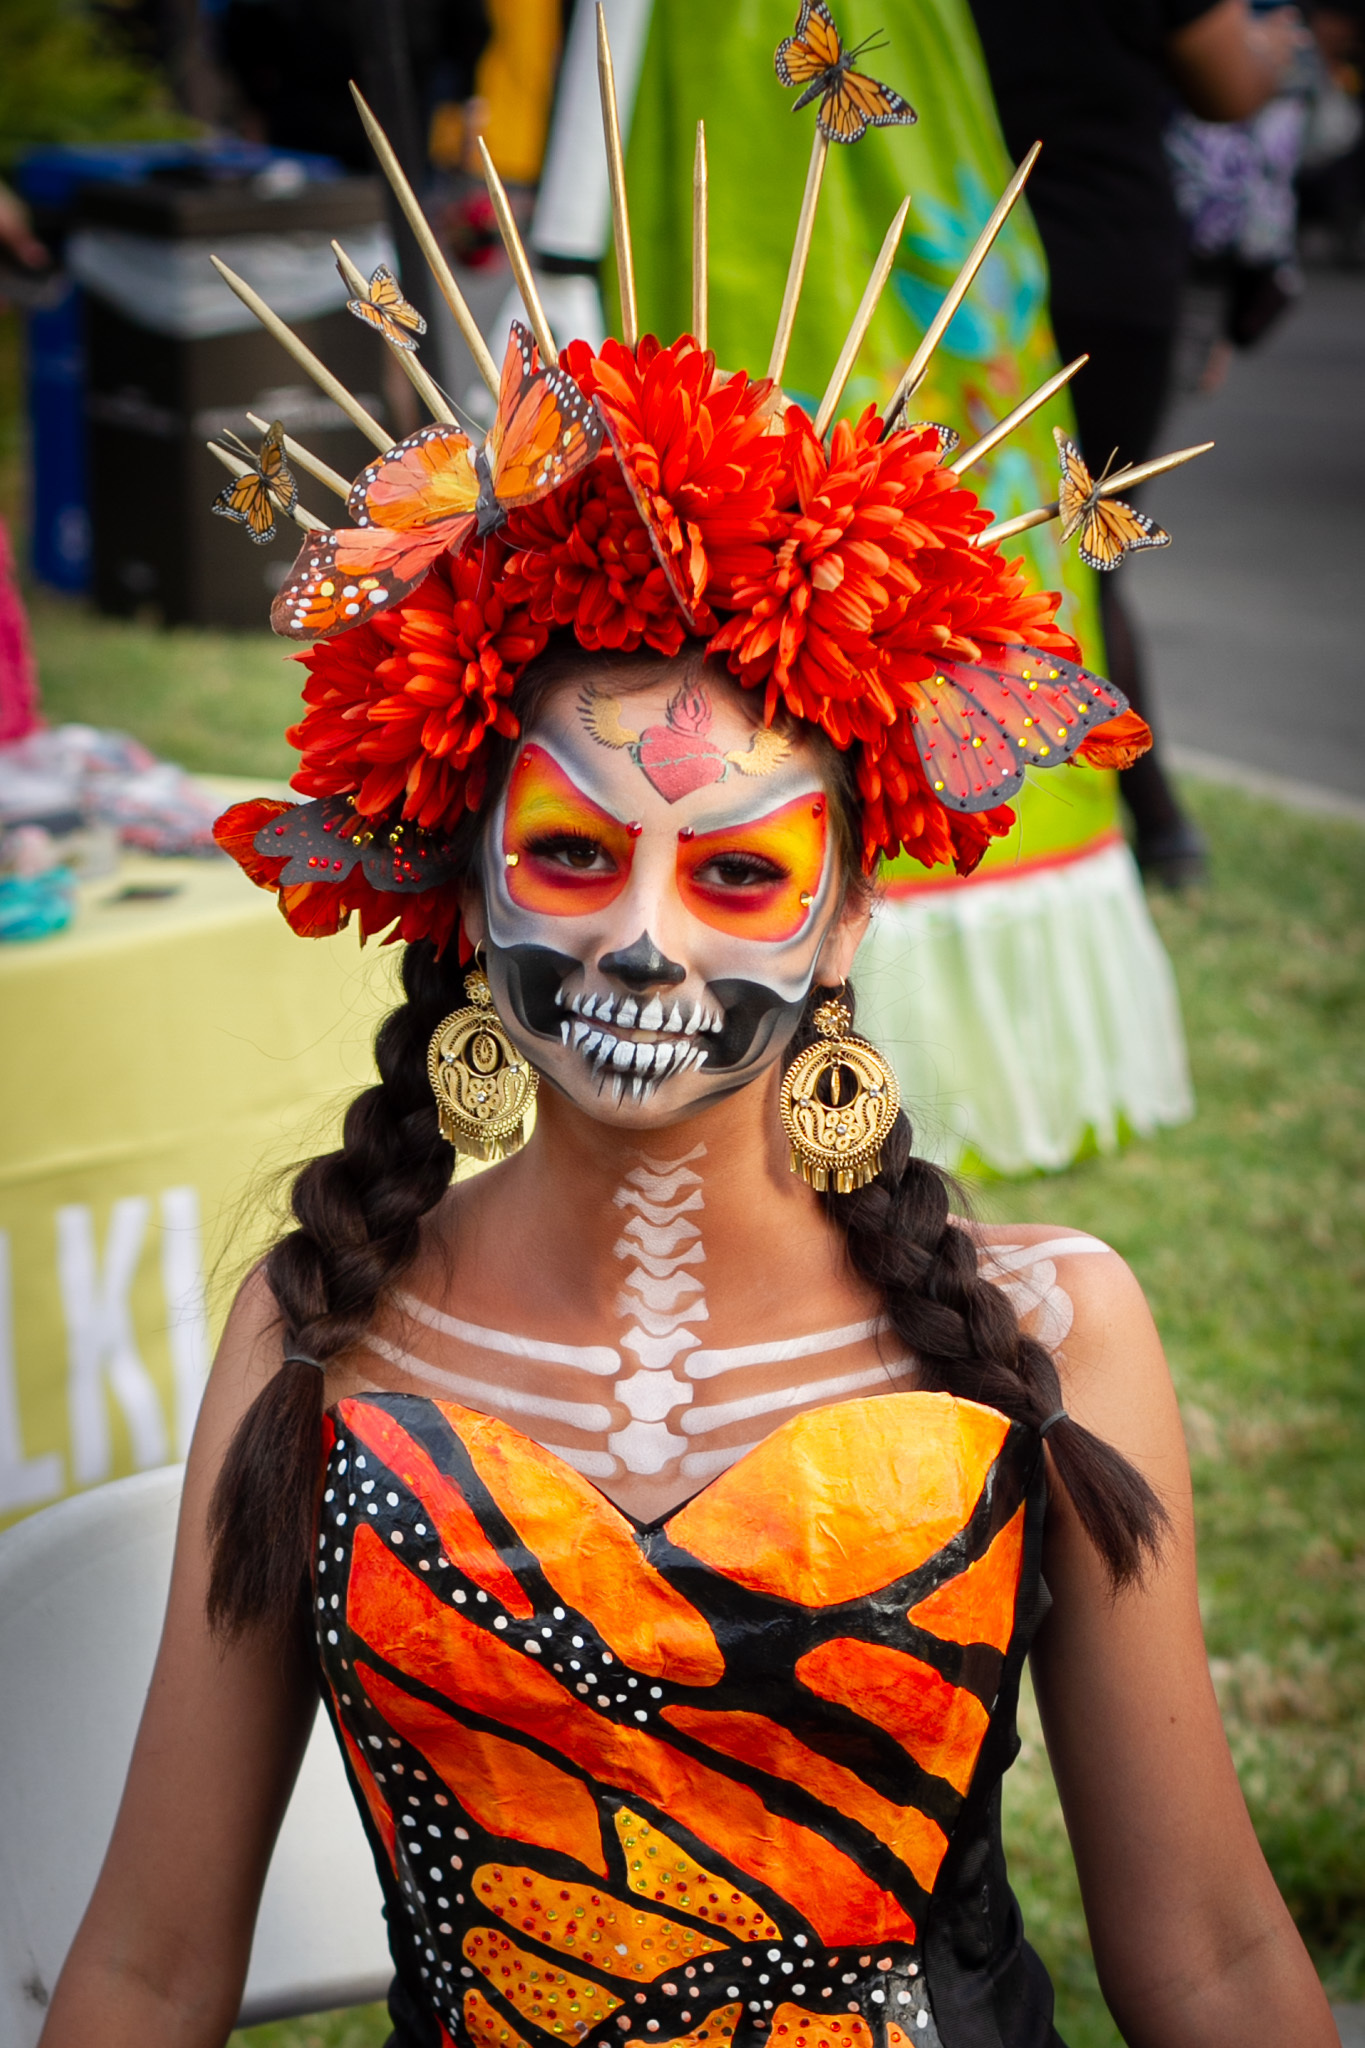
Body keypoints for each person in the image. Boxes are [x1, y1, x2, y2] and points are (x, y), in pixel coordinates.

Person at [36, 76, 1337, 2048]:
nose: (645, 932)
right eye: (575, 850)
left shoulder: (1053, 1334)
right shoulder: (313, 1337)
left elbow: (1220, 1967)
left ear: (844, 918)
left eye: (736, 870)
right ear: (461, 878)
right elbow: (139, 1966)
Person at [967, 0, 1302, 885]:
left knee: (1013, 549)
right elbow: (1230, 84)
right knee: (1082, 555)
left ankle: (1125, 812)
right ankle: (1139, 819)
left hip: (964, 257)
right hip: (1100, 261)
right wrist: (1270, 47)